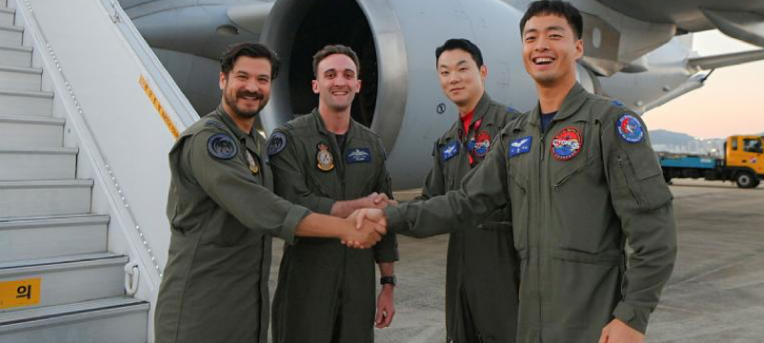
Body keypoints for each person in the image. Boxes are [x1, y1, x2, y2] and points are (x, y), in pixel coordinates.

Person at [355, 0, 678, 343]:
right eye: (531, 37)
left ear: (578, 48)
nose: (541, 45)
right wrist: (389, 217)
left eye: (555, 35)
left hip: (591, 322)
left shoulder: (609, 124)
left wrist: (632, 316)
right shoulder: (516, 137)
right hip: (529, 320)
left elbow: (654, 231)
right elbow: (465, 202)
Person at [154, 42, 386, 343]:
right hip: (203, 307)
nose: (252, 87)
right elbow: (265, 209)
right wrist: (347, 226)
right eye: (242, 77)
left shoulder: (254, 145)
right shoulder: (208, 142)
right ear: (223, 79)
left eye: (262, 80)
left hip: (247, 305)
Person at [268, 44, 399, 343]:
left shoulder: (371, 144)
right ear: (316, 84)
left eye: (347, 74)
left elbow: (385, 216)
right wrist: (361, 206)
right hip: (307, 281)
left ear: (358, 84)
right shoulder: (289, 139)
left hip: (358, 285)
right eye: (330, 74)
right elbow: (294, 204)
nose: (339, 81)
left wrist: (388, 284)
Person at [419, 38, 520, 343]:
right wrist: (385, 210)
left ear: (483, 71)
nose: (454, 78)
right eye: (445, 72)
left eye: (462, 69)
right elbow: (430, 204)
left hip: (504, 266)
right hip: (461, 267)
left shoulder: (512, 127)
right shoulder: (448, 142)